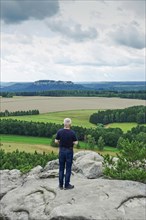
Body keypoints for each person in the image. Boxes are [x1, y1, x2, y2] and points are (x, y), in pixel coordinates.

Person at [55, 118, 78, 190]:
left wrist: (60, 143)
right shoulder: (72, 133)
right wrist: (72, 143)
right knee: (68, 169)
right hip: (69, 151)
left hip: (61, 151)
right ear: (70, 124)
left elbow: (56, 141)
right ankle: (67, 185)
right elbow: (76, 142)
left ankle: (61, 185)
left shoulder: (59, 131)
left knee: (61, 168)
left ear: (64, 124)